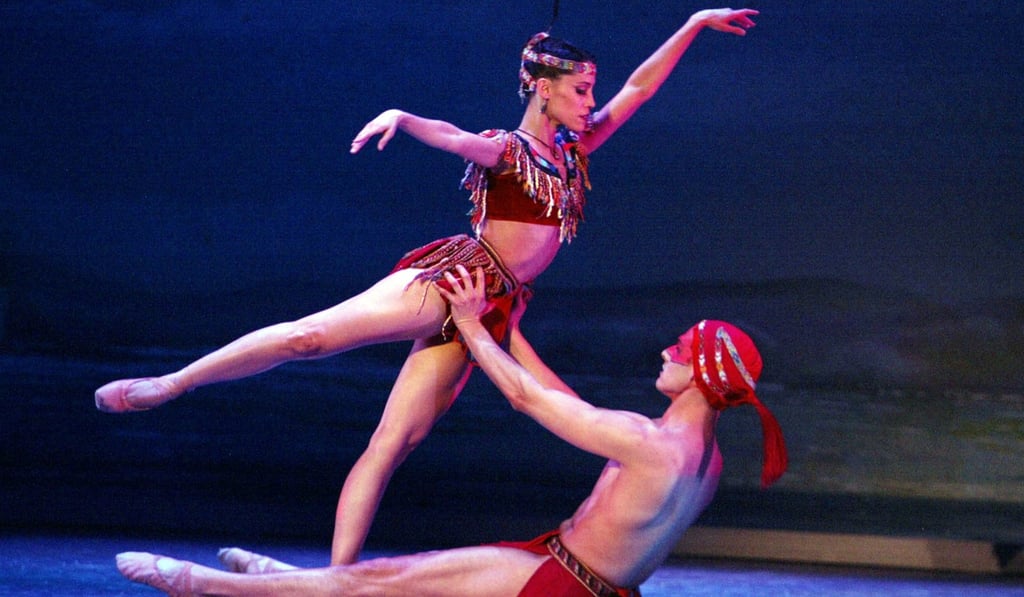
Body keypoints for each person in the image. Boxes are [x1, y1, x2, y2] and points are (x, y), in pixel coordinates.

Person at [95, 7, 761, 566]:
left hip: (491, 306)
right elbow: (455, 137)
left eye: (592, 91)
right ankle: (172, 384)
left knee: (393, 443)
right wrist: (404, 118)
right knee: (310, 337)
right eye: (581, 90)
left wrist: (695, 23)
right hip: (457, 276)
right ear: (543, 88)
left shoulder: (572, 152)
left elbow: (641, 88)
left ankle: (335, 580)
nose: (592, 101)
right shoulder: (510, 149)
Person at [115, 264, 787, 596]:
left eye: (679, 349)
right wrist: (508, 327)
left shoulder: (652, 444)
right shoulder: (699, 457)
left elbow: (528, 400)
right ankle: (279, 577)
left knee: (381, 580)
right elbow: (564, 400)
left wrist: (468, 322)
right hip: (586, 579)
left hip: (560, 581)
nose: (666, 351)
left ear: (701, 373)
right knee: (387, 585)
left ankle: (202, 583)